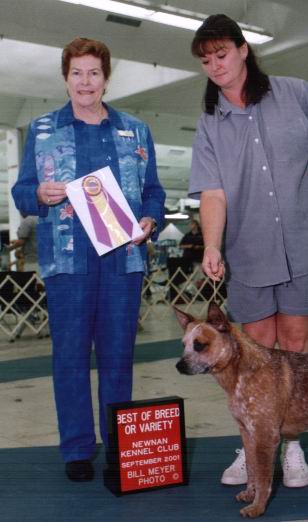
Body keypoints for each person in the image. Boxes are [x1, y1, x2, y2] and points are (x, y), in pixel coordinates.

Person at [188, 14, 308, 488]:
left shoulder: (298, 93)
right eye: (206, 60)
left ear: (243, 50)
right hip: (249, 251)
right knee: (254, 354)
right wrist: (212, 245)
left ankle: (292, 447)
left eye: (221, 54)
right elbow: (212, 192)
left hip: (305, 246)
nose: (215, 66)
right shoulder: (210, 123)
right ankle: (253, 446)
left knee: (295, 349)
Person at [11, 37, 165, 482]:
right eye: (76, 73)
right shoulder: (42, 130)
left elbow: (153, 191)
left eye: (93, 73)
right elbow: (21, 192)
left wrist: (151, 220)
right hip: (67, 264)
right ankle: (77, 449)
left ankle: (119, 446)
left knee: (118, 356)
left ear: (106, 78)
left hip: (123, 261)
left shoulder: (135, 131)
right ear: (65, 78)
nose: (85, 82)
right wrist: (38, 193)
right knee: (71, 357)